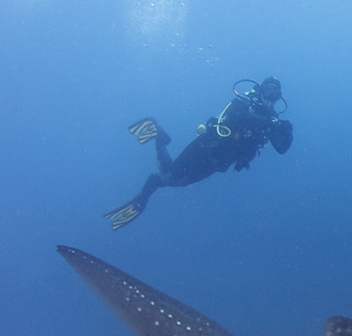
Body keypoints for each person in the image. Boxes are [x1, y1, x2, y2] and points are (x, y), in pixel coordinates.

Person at [105, 76, 294, 230]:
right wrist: (267, 122)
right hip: (207, 147)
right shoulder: (244, 103)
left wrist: (287, 132)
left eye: (276, 95)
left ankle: (154, 178)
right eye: (269, 92)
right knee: (170, 175)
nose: (272, 98)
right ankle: (158, 138)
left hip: (220, 162)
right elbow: (237, 116)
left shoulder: (272, 120)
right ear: (260, 91)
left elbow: (281, 149)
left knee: (178, 182)